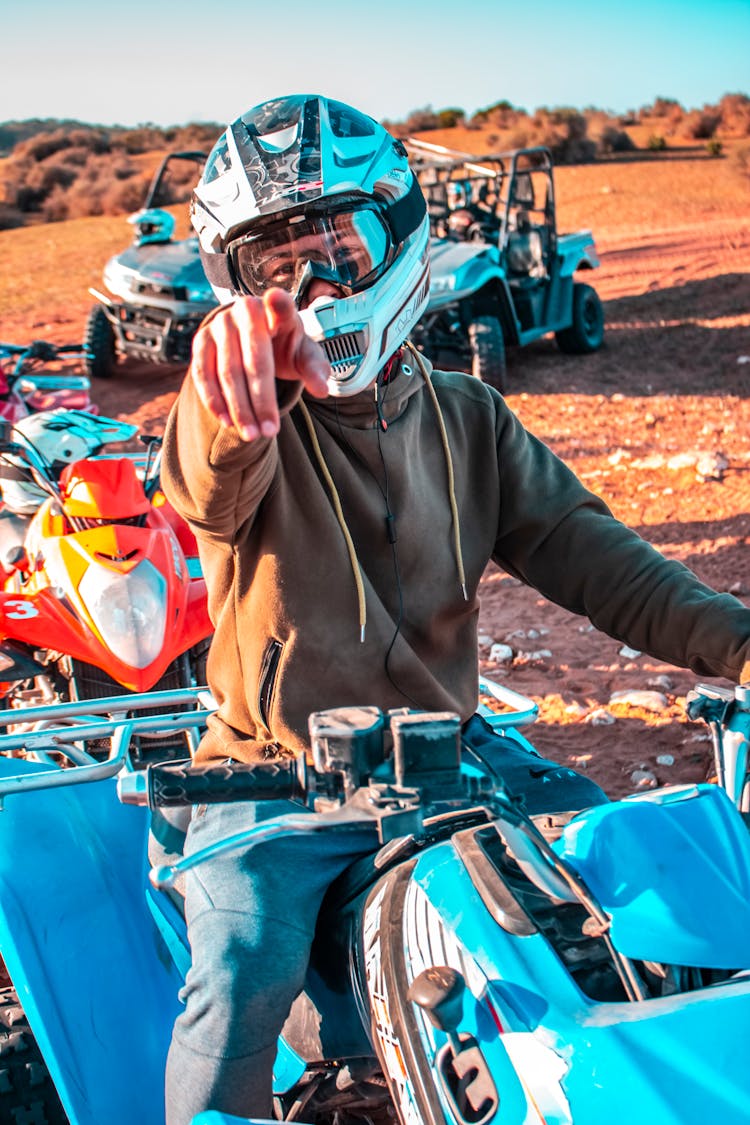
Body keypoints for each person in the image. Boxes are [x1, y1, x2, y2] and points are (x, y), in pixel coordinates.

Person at [161, 93, 750, 1124]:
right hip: (270, 777)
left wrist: (740, 649)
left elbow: (598, 562)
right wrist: (224, 397)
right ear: (236, 288)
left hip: (451, 752)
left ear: (395, 227)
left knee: (635, 883)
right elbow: (205, 484)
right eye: (275, 264)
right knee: (239, 970)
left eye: (336, 241)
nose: (313, 284)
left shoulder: (469, 416)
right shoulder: (251, 420)